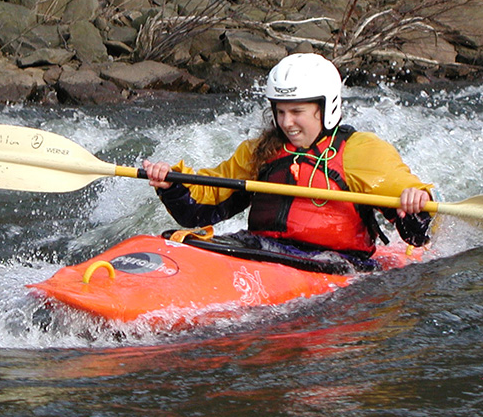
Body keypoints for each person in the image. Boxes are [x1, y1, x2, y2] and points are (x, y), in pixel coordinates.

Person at [142, 53, 434, 272]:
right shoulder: (260, 150)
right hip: (261, 249)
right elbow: (199, 212)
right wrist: (172, 184)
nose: (287, 123)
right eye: (280, 112)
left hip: (333, 262)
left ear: (326, 107)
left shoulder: (362, 151)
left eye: (297, 111)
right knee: (182, 239)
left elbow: (415, 232)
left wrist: (414, 202)